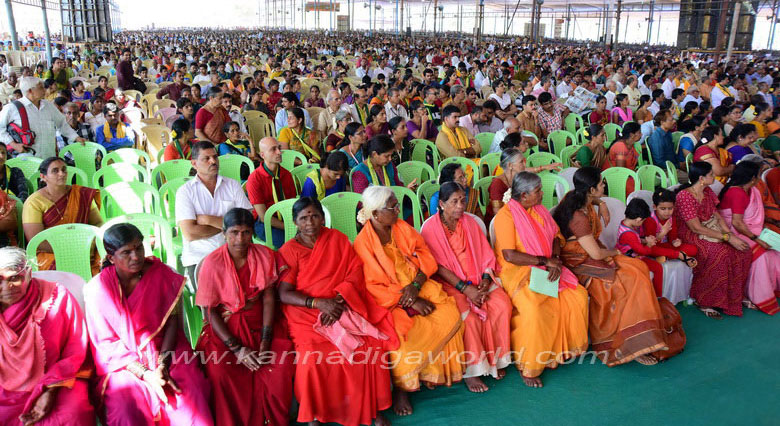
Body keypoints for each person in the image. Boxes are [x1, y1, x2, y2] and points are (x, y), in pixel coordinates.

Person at [278, 198, 396, 426]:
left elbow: (355, 271)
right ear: (295, 222)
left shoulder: (337, 239)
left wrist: (338, 300)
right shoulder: (289, 251)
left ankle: (371, 407)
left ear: (323, 218)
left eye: (315, 216)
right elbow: (284, 293)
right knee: (312, 357)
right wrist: (319, 304)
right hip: (306, 313)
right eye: (304, 218)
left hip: (341, 304)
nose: (310, 222)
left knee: (369, 346)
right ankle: (314, 414)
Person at [84, 223, 212, 426]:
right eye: (126, 252)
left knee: (191, 392)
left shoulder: (161, 274)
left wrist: (162, 365)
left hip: (166, 349)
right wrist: (147, 374)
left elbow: (172, 323)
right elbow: (107, 345)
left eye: (139, 248)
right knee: (126, 406)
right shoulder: (97, 289)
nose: (136, 257)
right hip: (123, 362)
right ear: (111, 258)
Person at [353, 186, 465, 416]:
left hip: (418, 284)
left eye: (396, 205)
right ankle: (403, 388)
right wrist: (411, 301)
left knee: (449, 313)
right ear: (376, 214)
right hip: (389, 299)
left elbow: (426, 256)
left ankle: (429, 374)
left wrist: (416, 286)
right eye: (392, 207)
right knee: (401, 338)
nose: (398, 210)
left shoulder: (401, 227)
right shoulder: (363, 243)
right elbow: (372, 286)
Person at [552, 167, 668, 366]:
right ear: (591, 190)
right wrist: (615, 252)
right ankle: (630, 342)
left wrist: (601, 202)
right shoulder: (579, 217)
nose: (604, 186)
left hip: (592, 253)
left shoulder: (576, 197)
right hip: (579, 262)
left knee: (638, 268)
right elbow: (596, 255)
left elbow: (596, 247)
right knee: (621, 284)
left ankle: (643, 332)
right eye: (600, 184)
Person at [195, 208, 295, 425]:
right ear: (224, 233)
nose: (240, 239)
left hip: (263, 323)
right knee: (221, 372)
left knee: (279, 368)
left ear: (252, 233)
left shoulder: (264, 255)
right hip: (225, 330)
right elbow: (211, 311)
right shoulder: (212, 263)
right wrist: (237, 349)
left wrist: (266, 340)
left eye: (246, 232)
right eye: (234, 232)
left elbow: (268, 298)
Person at [491, 172, 589, 387]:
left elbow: (555, 237)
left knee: (577, 296)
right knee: (534, 308)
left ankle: (559, 351)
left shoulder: (539, 209)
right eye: (538, 191)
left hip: (547, 265)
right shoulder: (506, 216)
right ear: (524, 195)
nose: (542, 194)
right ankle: (529, 365)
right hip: (518, 271)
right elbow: (509, 255)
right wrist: (545, 262)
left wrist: (555, 259)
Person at [421, 182, 513, 391]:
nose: (461, 206)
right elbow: (438, 267)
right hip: (450, 285)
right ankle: (472, 372)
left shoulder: (470, 222)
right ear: (442, 204)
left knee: (501, 305)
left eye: (463, 200)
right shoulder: (430, 228)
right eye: (454, 202)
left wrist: (485, 282)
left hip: (479, 281)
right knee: (469, 319)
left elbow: (486, 255)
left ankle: (495, 360)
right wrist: (466, 289)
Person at [0, 247, 94, 425]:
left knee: (74, 412)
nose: (7, 288)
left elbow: (76, 348)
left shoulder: (57, 297)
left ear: (28, 273)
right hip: (4, 387)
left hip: (59, 378)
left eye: (14, 278)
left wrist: (50, 390)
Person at [674, 162, 751, 318]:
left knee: (743, 251)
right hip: (690, 234)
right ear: (701, 178)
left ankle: (734, 296)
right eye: (711, 174)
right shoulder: (684, 196)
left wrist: (730, 236)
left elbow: (717, 216)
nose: (714, 176)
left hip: (710, 229)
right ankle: (705, 300)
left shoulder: (707, 191)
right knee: (720, 254)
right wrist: (726, 237)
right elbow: (696, 228)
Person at [175, 141, 252, 282]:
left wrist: (207, 220)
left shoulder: (232, 185)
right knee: (213, 294)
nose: (213, 161)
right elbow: (190, 233)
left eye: (215, 157)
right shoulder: (185, 192)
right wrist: (230, 227)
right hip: (199, 257)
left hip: (235, 252)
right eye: (206, 158)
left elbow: (247, 222)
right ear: (194, 164)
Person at [717, 162, 780, 315]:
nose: (759, 178)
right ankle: (759, 296)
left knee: (776, 251)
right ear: (752, 178)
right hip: (733, 232)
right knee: (762, 255)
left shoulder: (751, 190)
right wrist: (757, 239)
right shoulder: (737, 193)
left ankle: (772, 288)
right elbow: (737, 223)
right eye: (758, 175)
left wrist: (771, 222)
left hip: (750, 230)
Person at [22, 157, 102, 271]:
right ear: (43, 177)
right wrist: (70, 250)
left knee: (107, 262)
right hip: (50, 252)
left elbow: (98, 223)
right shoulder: (34, 202)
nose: (62, 174)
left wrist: (89, 243)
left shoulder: (81, 194)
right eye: (55, 171)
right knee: (65, 267)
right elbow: (37, 241)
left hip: (84, 246)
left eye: (64, 169)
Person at [616, 198, 697, 299]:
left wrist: (645, 240)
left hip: (636, 254)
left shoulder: (625, 223)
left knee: (658, 265)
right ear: (638, 220)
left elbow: (635, 241)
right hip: (630, 259)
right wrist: (649, 244)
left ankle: (657, 295)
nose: (667, 212)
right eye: (643, 221)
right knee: (657, 268)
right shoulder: (629, 233)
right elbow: (642, 251)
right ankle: (657, 297)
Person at [0, 77, 86, 159]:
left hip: (48, 155)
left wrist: (76, 137)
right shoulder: (12, 108)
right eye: (41, 87)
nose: (44, 90)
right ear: (30, 91)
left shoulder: (48, 105)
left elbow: (61, 123)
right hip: (26, 158)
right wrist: (13, 145)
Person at [245, 137, 297, 248]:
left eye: (279, 148)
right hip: (264, 222)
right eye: (273, 149)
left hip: (287, 218)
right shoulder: (254, 179)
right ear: (262, 155)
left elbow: (291, 204)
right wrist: (290, 227)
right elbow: (263, 217)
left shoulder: (286, 175)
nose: (279, 152)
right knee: (291, 244)